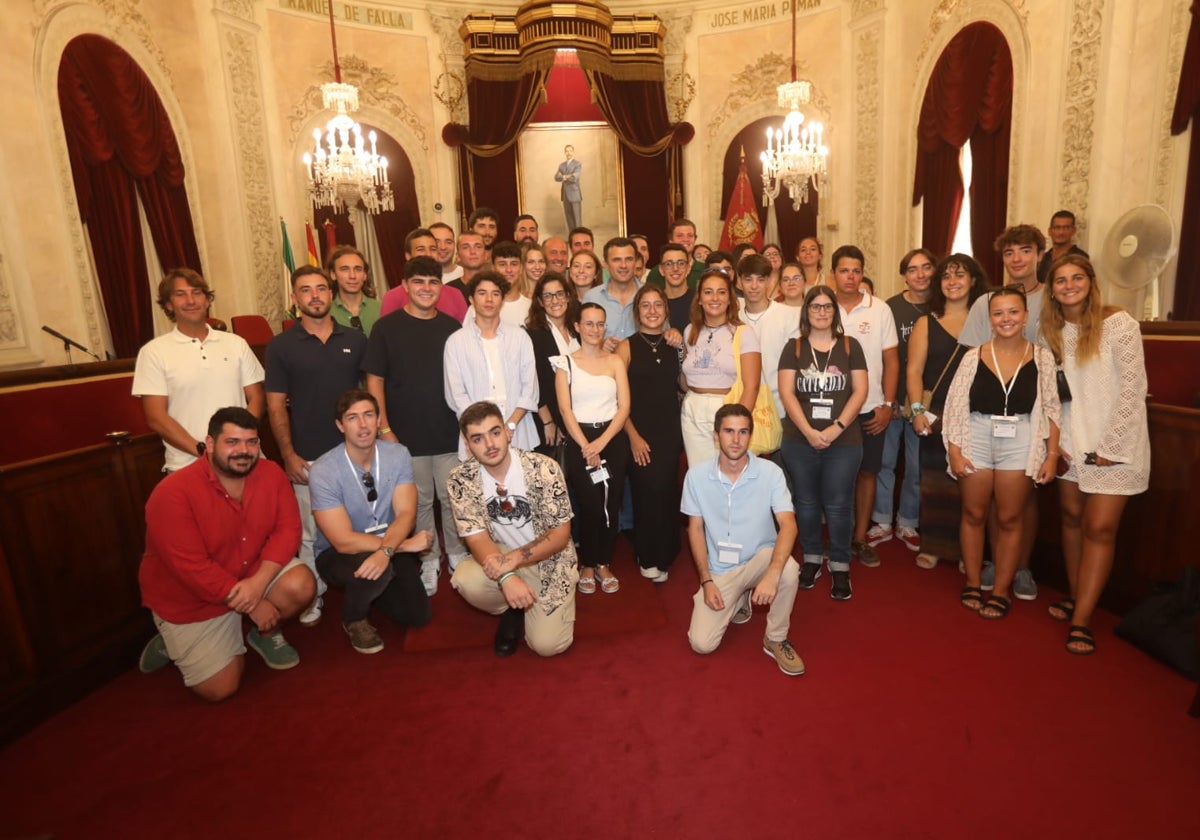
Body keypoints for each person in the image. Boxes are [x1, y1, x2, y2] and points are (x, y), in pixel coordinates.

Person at [137, 407, 314, 701]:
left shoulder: (271, 473)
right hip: (192, 597)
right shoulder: (172, 494)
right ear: (209, 444)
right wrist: (253, 605)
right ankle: (170, 640)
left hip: (248, 577)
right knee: (221, 688)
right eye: (232, 442)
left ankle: (264, 634)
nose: (243, 451)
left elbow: (288, 531)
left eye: (251, 442)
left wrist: (257, 586)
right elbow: (192, 569)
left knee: (302, 583)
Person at [1040, 255, 1149, 654]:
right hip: (1071, 440)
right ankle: (1076, 595)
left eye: (1077, 278)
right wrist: (1056, 445)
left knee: (1100, 529)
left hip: (1116, 443)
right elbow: (1052, 397)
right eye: (1061, 280)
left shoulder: (1118, 324)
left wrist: (1111, 445)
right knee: (1071, 520)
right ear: (1051, 290)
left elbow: (1133, 389)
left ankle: (1083, 619)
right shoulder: (1047, 333)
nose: (1069, 285)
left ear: (1090, 281)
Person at [944, 286, 1060, 619]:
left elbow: (1051, 408)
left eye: (1013, 312)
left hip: (1022, 437)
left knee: (1010, 517)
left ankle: (999, 590)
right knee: (974, 513)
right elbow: (955, 407)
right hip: (976, 435)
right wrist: (955, 450)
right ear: (990, 318)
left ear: (1025, 316)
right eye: (998, 313)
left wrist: (1051, 455)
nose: (1005, 319)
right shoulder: (973, 355)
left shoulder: (1042, 357)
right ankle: (972, 581)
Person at [265, 265, 367, 626]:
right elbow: (275, 405)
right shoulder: (281, 346)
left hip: (355, 455)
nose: (315, 296)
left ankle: (363, 593)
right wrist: (288, 454)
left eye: (321, 288)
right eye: (306, 290)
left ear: (331, 293)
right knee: (309, 534)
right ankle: (313, 597)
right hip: (307, 455)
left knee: (359, 527)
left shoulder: (355, 339)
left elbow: (368, 396)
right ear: (295, 299)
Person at [365, 256, 468, 594]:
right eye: (419, 282)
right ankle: (429, 557)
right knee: (419, 502)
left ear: (441, 287)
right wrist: (384, 429)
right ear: (406, 286)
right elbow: (375, 381)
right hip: (404, 435)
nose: (426, 288)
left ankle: (456, 552)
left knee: (454, 498)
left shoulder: (453, 329)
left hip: (448, 432)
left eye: (433, 282)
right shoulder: (385, 327)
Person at [447, 401, 578, 657]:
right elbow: (476, 539)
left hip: (549, 561)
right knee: (465, 579)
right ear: (467, 444)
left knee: (547, 646)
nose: (489, 445)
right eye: (478, 438)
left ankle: (535, 604)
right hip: (502, 556)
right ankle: (513, 607)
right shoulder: (460, 479)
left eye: (495, 433)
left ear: (508, 433)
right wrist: (507, 577)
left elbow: (560, 535)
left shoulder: (543, 468)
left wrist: (512, 561)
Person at [960, 224, 1048, 600]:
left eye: (1025, 251)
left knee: (1021, 503)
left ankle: (1020, 566)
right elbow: (972, 359)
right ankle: (991, 566)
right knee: (982, 504)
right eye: (1009, 253)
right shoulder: (985, 303)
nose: (1017, 260)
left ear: (1039, 255)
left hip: (1035, 407)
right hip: (987, 411)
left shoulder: (1053, 299)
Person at [682, 404, 803, 676]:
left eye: (743, 432)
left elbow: (788, 525)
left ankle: (775, 637)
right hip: (722, 570)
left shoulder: (770, 472)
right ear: (716, 436)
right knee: (702, 644)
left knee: (789, 571)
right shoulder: (696, 477)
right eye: (728, 432)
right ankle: (740, 596)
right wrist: (706, 581)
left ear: (750, 436)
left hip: (761, 558)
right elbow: (695, 529)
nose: (736, 440)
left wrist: (772, 574)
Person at [309, 390, 433, 654]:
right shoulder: (323, 470)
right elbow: (342, 541)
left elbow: (405, 514)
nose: (362, 424)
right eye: (352, 418)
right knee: (377, 570)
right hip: (339, 554)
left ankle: (376, 587)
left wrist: (387, 550)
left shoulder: (397, 454)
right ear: (340, 426)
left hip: (390, 541)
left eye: (368, 415)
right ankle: (354, 618)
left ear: (379, 420)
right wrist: (399, 548)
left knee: (417, 615)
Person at [778, 285, 868, 600]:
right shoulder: (794, 347)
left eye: (827, 306)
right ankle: (813, 557)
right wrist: (809, 432)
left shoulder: (849, 345)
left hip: (844, 441)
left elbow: (860, 391)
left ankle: (840, 563)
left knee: (840, 504)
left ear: (834, 311)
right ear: (806, 312)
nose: (821, 312)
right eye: (815, 307)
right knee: (805, 502)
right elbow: (787, 393)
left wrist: (836, 428)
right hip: (799, 440)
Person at [132, 268, 264, 473]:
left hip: (245, 461)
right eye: (180, 294)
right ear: (168, 304)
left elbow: (256, 398)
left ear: (207, 300)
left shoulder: (237, 343)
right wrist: (205, 452)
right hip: (188, 465)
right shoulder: (153, 352)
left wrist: (240, 446)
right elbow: (156, 417)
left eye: (196, 292)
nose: (190, 300)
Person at [906, 254, 987, 570]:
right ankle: (935, 544)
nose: (953, 282)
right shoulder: (926, 322)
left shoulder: (987, 321)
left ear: (973, 281)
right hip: (936, 414)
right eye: (947, 276)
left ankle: (970, 552)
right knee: (935, 484)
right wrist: (916, 411)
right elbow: (914, 371)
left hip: (977, 414)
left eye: (960, 275)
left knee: (973, 485)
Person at [555, 302, 631, 594]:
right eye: (589, 324)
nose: (595, 330)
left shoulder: (614, 362)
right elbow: (565, 409)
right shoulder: (565, 362)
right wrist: (587, 445)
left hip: (612, 438)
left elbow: (624, 407)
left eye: (600, 324)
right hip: (579, 441)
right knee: (588, 505)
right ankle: (587, 562)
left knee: (611, 504)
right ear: (577, 326)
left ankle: (604, 563)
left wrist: (602, 441)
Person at [831, 245, 899, 568]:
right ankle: (837, 539)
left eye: (856, 270)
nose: (851, 276)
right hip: (830, 409)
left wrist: (887, 403)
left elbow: (891, 359)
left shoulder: (880, 309)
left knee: (868, 473)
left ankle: (860, 539)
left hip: (871, 408)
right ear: (833, 274)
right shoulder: (821, 306)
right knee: (835, 476)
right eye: (844, 270)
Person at [869, 248, 936, 552]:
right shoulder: (890, 308)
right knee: (884, 462)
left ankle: (908, 520)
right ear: (904, 276)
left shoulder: (941, 307)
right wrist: (889, 397)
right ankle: (882, 519)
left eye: (925, 268)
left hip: (927, 400)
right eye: (912, 269)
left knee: (916, 464)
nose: (920, 274)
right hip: (894, 398)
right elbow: (885, 357)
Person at [616, 285, 684, 583]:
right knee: (646, 493)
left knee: (668, 490)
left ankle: (667, 552)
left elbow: (682, 385)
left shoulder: (673, 343)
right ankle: (648, 554)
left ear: (666, 311)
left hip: (670, 430)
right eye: (646, 305)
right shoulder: (626, 347)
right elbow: (617, 399)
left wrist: (682, 347)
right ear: (637, 311)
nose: (652, 310)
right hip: (637, 431)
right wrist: (632, 436)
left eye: (658, 305)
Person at [443, 271, 540, 458]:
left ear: (502, 300)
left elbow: (530, 388)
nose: (489, 299)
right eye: (482, 293)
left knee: (522, 485)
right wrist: (485, 431)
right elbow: (456, 395)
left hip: (517, 431)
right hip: (476, 435)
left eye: (495, 294)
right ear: (471, 299)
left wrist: (509, 425)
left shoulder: (520, 337)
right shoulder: (456, 342)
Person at [680, 268, 760, 466]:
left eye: (721, 292)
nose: (714, 298)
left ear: (730, 298)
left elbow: (752, 386)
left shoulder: (743, 332)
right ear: (699, 298)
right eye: (708, 292)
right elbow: (686, 378)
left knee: (730, 471)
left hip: (727, 407)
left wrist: (738, 424)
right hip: (693, 408)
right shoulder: (690, 331)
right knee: (699, 474)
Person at [738, 252, 798, 422]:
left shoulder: (789, 316)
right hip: (742, 406)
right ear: (740, 281)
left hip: (781, 409)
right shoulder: (734, 319)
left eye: (760, 279)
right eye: (748, 279)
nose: (754, 286)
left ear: (769, 281)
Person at [525, 273, 580, 450]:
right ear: (540, 301)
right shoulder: (533, 335)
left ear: (568, 296)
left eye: (559, 294)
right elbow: (533, 382)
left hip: (581, 416)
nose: (554, 300)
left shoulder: (578, 330)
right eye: (548, 296)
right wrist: (548, 422)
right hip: (552, 421)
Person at [381, 228, 467, 321]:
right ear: (408, 256)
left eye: (433, 249)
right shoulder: (392, 297)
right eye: (421, 249)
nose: (428, 254)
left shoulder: (455, 295)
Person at [583, 237, 642, 349]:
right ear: (605, 264)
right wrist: (600, 344)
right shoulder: (592, 298)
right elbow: (581, 340)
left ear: (636, 262)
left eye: (629, 259)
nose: (623, 265)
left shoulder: (650, 296)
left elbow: (663, 335)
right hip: (602, 365)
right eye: (616, 260)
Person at [327, 245, 381, 335]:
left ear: (365, 275)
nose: (352, 276)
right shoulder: (326, 313)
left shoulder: (381, 308)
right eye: (345, 269)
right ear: (333, 274)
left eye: (358, 269)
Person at [646, 219, 706, 290]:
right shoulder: (656, 273)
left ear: (694, 240)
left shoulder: (705, 270)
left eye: (690, 235)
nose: (686, 239)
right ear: (671, 241)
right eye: (680, 236)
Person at [1038, 210, 1089, 283]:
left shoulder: (1080, 257)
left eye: (1066, 228)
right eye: (1057, 227)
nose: (1061, 232)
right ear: (1049, 231)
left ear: (1074, 230)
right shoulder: (1043, 258)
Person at [659, 242, 695, 331]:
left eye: (681, 263)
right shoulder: (655, 303)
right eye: (669, 264)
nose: (675, 268)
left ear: (688, 268)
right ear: (661, 270)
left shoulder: (700, 300)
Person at [555, 145, 582, 231]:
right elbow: (556, 177)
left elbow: (574, 178)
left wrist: (563, 176)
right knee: (569, 218)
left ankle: (578, 237)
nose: (569, 153)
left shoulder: (577, 164)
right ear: (564, 152)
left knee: (577, 220)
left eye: (570, 151)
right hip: (565, 195)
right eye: (567, 151)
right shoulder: (561, 165)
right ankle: (572, 237)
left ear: (573, 152)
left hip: (575, 195)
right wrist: (566, 176)